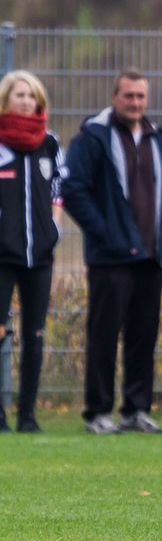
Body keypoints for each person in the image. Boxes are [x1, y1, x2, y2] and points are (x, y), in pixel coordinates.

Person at [63, 69, 162, 435]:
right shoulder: (92, 137)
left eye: (140, 96)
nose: (135, 102)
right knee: (103, 335)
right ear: (115, 97)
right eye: (128, 95)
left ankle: (135, 410)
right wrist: (106, 234)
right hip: (111, 257)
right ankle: (98, 412)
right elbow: (73, 190)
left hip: (150, 255)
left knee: (143, 335)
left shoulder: (156, 137)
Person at [0, 70, 64, 434]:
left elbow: (58, 186)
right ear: (6, 99)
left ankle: (28, 416)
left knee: (34, 335)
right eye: (21, 95)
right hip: (2, 256)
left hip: (39, 256)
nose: (27, 102)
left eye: (33, 96)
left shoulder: (50, 143)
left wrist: (52, 227)